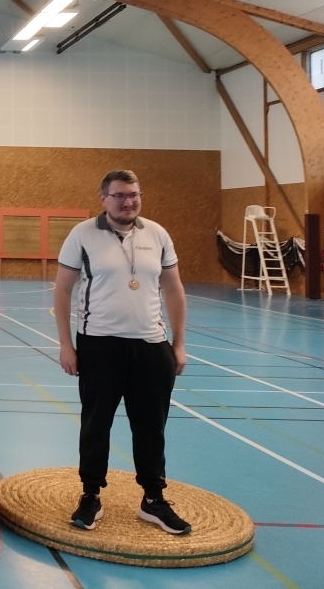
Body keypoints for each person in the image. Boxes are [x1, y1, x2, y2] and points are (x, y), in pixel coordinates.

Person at [53, 169, 191, 534]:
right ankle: (90, 495)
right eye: (119, 195)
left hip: (151, 346)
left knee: (151, 427)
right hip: (99, 345)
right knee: (96, 424)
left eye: (134, 195)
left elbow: (174, 289)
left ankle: (153, 499)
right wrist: (66, 345)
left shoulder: (157, 234)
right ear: (104, 199)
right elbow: (62, 290)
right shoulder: (82, 235)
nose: (128, 202)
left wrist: (178, 344)